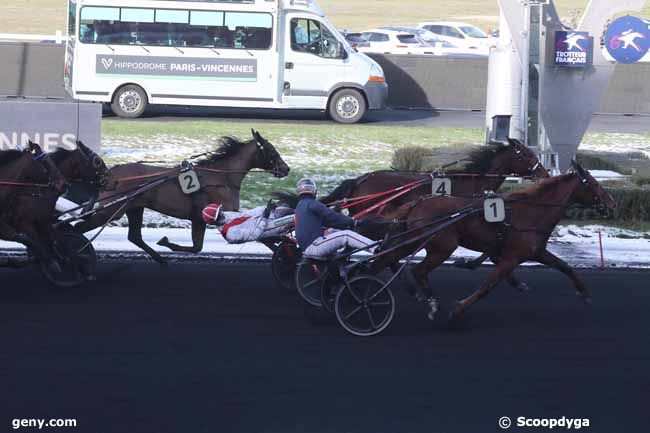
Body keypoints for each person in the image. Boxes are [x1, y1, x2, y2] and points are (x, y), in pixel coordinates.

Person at [294, 178, 375, 258]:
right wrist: (355, 222)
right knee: (346, 235)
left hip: (308, 247)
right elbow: (332, 217)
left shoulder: (300, 206)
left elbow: (330, 222)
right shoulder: (312, 203)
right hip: (314, 247)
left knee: (335, 231)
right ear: (314, 191)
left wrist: (338, 212)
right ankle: (376, 248)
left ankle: (345, 255)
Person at [202, 201, 293, 244]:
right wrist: (265, 216)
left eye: (220, 211)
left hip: (267, 218)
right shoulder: (230, 234)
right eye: (219, 215)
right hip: (269, 228)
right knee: (295, 217)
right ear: (215, 222)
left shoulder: (226, 216)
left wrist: (266, 209)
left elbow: (247, 214)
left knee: (288, 206)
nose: (222, 214)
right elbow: (254, 234)